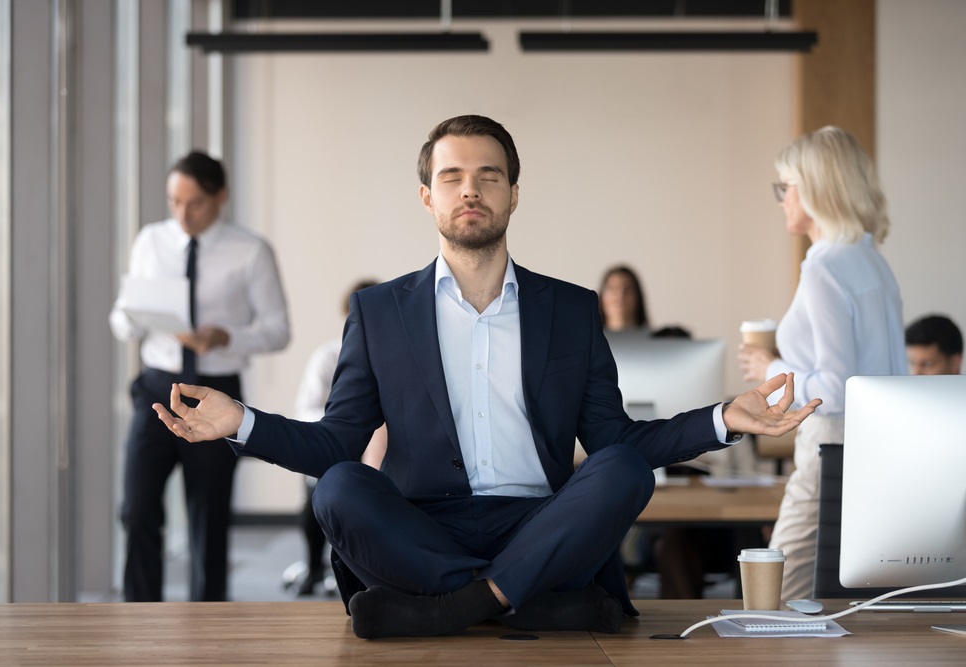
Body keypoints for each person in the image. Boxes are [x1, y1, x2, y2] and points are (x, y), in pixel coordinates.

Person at [155, 115, 819, 638]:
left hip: (541, 521)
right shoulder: (379, 312)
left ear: (513, 194)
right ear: (426, 195)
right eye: (451, 176)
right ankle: (518, 598)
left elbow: (617, 439)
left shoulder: (570, 308)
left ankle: (452, 605)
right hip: (424, 528)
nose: (469, 189)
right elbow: (336, 441)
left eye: (488, 175)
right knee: (339, 486)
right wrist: (239, 421)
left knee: (621, 470)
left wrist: (723, 417)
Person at [110, 150, 290, 601]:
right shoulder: (150, 241)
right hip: (156, 386)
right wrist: (135, 317)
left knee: (209, 517)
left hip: (215, 394)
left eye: (195, 203)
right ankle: (140, 613)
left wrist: (225, 338)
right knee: (136, 509)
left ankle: (208, 622)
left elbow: (278, 331)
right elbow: (120, 318)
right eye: (174, 201)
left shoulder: (251, 251)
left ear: (221, 197)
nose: (182, 214)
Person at [738, 126, 906, 602]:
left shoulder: (823, 267)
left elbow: (836, 387)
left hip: (831, 449)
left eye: (785, 187)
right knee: (860, 598)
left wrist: (772, 365)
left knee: (778, 594)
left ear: (812, 190)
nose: (781, 200)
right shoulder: (873, 262)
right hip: (882, 449)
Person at [291, 279, 387, 596]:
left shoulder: (396, 354)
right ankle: (314, 568)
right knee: (318, 496)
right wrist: (348, 421)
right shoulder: (328, 356)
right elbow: (305, 409)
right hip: (341, 443)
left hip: (385, 448)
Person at [598, 265, 650, 335]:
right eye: (613, 288)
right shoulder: (585, 341)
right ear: (602, 297)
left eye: (628, 289)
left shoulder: (656, 341)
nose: (620, 295)